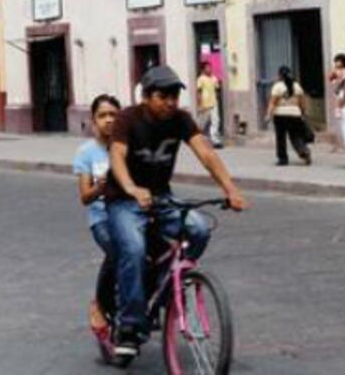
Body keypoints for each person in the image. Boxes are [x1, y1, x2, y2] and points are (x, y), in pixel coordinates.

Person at [107, 65, 246, 356]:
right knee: (132, 248)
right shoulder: (127, 119)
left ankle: (166, 286)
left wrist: (230, 189)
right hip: (124, 199)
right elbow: (117, 157)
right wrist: (132, 189)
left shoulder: (180, 120)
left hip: (161, 198)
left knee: (198, 229)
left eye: (174, 96)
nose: (170, 102)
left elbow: (206, 153)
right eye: (163, 96)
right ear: (146, 96)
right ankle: (130, 325)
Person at [72, 94, 121, 346]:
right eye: (103, 115)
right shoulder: (86, 153)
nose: (109, 120)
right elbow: (85, 197)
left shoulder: (126, 147)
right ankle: (100, 306)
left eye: (113, 114)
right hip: (101, 217)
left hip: (128, 214)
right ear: (93, 121)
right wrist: (101, 187)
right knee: (115, 252)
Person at [264, 66, 312, 166]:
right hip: (295, 114)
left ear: (280, 75)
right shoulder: (297, 86)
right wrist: (303, 112)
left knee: (280, 137)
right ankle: (303, 151)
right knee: (295, 135)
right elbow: (301, 102)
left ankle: (283, 159)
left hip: (280, 115)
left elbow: (273, 102)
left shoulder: (277, 86)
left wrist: (268, 114)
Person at [196, 61, 222, 147]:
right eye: (207, 67)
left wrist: (216, 97)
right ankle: (198, 139)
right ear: (203, 69)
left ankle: (215, 140)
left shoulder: (214, 78)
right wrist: (200, 104)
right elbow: (199, 92)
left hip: (213, 103)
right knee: (203, 123)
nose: (209, 69)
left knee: (216, 121)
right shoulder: (201, 79)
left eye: (210, 67)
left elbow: (217, 89)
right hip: (205, 104)